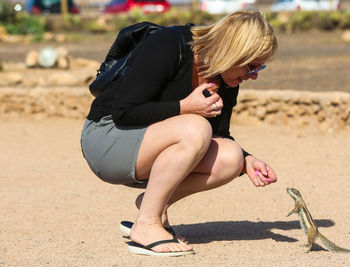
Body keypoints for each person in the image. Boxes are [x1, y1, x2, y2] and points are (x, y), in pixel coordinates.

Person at [81, 8, 278, 256]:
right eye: (251, 67)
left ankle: (151, 204)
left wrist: (248, 159)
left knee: (231, 157)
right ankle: (146, 225)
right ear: (233, 51)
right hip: (106, 138)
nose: (253, 77)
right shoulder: (168, 45)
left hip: (146, 143)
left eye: (260, 68)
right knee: (196, 127)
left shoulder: (226, 77)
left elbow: (219, 134)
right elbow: (124, 111)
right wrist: (185, 107)